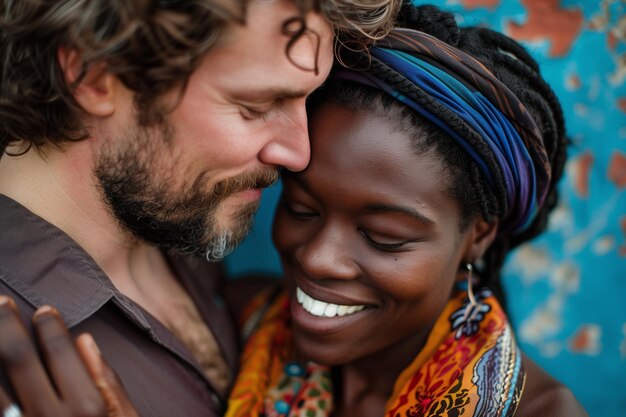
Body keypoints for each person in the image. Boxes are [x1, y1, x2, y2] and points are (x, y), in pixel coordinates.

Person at [0, 0, 399, 416]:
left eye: (307, 101)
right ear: (94, 76)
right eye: (256, 106)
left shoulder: (175, 213)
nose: (299, 154)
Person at [223, 5, 590, 417]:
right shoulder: (233, 320)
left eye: (384, 236)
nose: (317, 258)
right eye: (301, 209)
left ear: (479, 235)